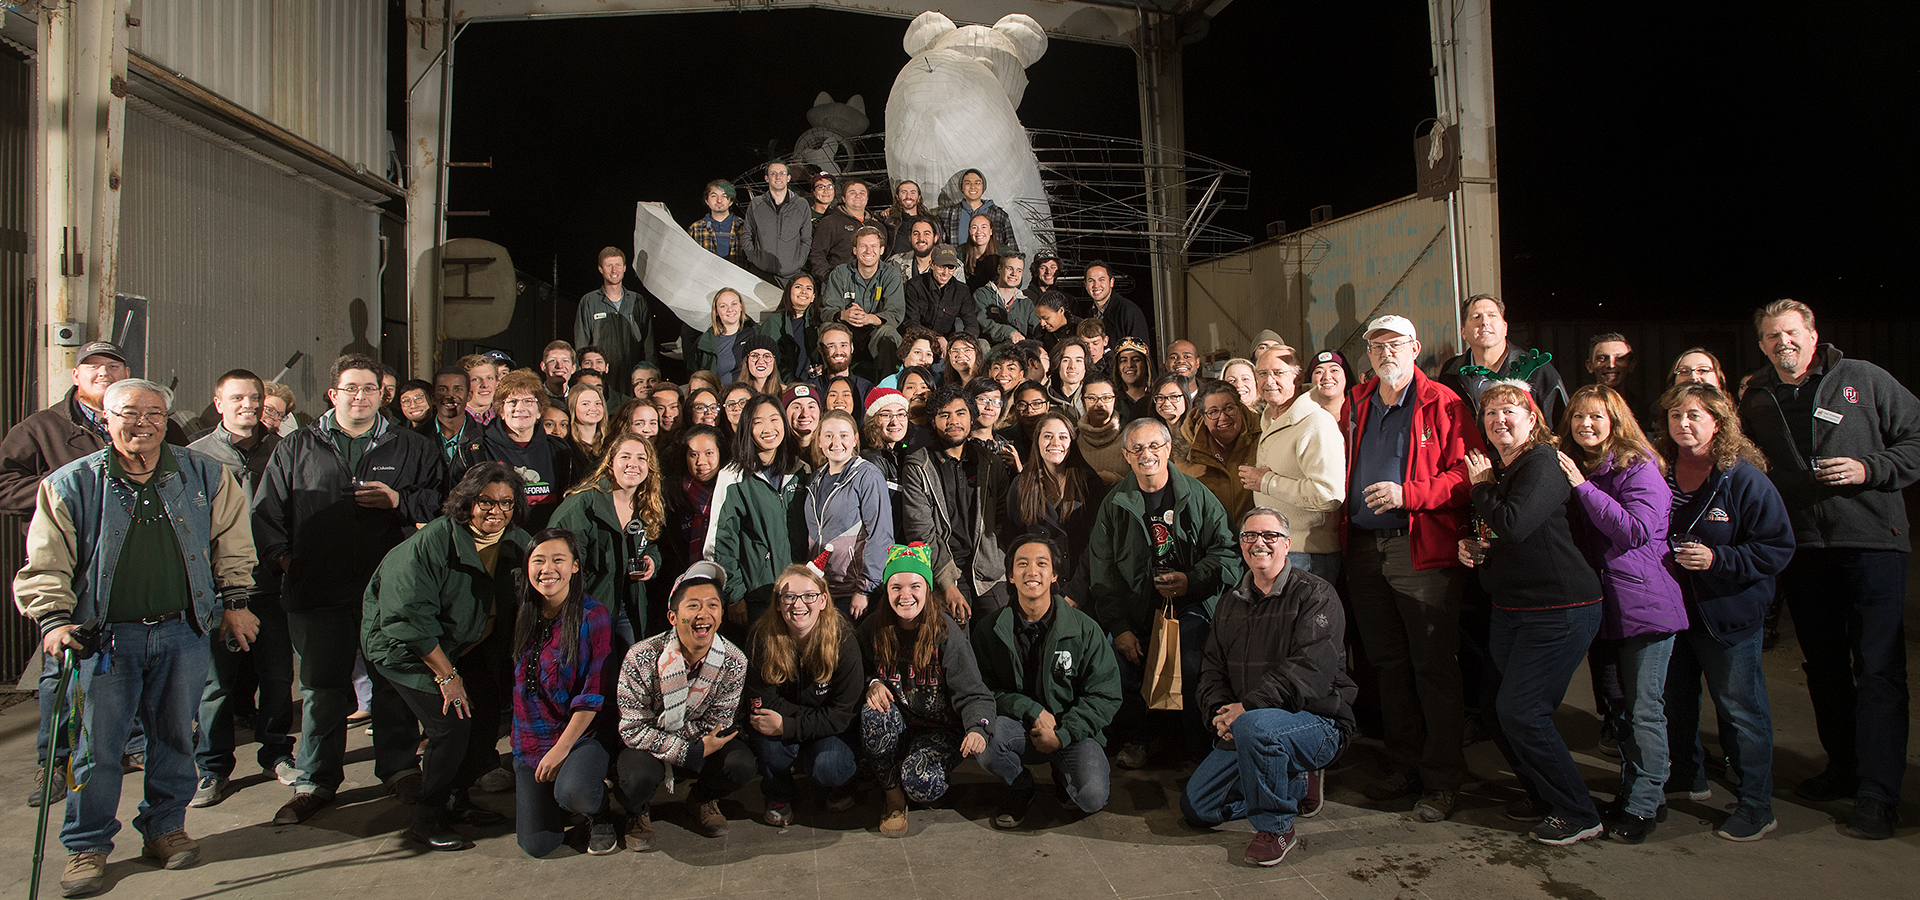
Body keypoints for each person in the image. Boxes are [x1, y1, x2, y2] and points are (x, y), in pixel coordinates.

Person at [14, 377, 257, 896]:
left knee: (173, 738)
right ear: (105, 419)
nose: (141, 423)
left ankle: (165, 829)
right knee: (96, 748)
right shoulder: (71, 483)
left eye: (153, 414)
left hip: (182, 633)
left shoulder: (204, 474)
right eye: (128, 414)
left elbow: (232, 541)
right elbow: (45, 562)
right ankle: (87, 846)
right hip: (103, 642)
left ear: (166, 420)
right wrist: (54, 619)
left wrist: (235, 603)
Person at [1737, 299, 1920, 839]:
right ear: (1762, 344)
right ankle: (1843, 768)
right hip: (1802, 549)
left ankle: (1878, 793)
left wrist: (1872, 467)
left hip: (1872, 544)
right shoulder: (1758, 396)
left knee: (1879, 668)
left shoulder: (1862, 378)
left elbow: (1916, 436)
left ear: (1813, 334)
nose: (1782, 343)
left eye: (1791, 333)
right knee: (1824, 666)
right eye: (1771, 337)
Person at [254, 354, 445, 826]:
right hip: (317, 589)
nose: (360, 396)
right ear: (333, 394)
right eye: (351, 388)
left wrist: (398, 501)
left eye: (369, 388)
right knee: (322, 689)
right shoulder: (298, 445)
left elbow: (443, 500)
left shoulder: (411, 446)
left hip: (389, 591)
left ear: (383, 394)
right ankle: (315, 780)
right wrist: (286, 560)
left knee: (391, 683)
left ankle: (399, 767)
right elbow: (268, 512)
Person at [1341, 316, 1479, 822]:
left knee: (1433, 667)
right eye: (1376, 345)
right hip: (1362, 549)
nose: (1385, 352)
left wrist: (1410, 496)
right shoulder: (1356, 402)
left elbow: (1469, 472)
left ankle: (1442, 779)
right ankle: (1403, 765)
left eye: (1395, 344)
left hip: (1417, 549)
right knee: (1388, 666)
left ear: (1415, 347)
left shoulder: (1444, 402)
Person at [1457, 382, 1605, 845]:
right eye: (1490, 413)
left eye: (1509, 411)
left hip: (1558, 609)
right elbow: (1503, 531)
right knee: (1495, 708)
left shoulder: (1541, 463)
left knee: (1522, 711)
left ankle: (1578, 810)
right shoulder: (1506, 469)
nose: (1498, 419)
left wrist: (1480, 488)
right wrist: (1476, 547)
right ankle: (1542, 793)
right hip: (1513, 606)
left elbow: (1515, 525)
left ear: (1532, 419)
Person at [360, 463, 529, 850]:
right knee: (451, 724)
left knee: (485, 716)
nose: (495, 510)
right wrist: (448, 677)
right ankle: (427, 817)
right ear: (467, 501)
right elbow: (405, 618)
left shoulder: (516, 540)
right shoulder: (433, 541)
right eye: (485, 501)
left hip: (462, 644)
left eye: (505, 502)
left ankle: (458, 799)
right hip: (405, 648)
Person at [1655, 382, 1795, 841]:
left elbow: (1777, 547)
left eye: (1695, 415)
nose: (1684, 424)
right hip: (1676, 614)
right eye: (1676, 415)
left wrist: (1719, 560)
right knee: (1676, 702)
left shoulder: (1743, 478)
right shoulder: (1661, 469)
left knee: (1740, 710)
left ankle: (1757, 803)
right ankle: (1687, 775)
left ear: (1719, 421)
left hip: (1728, 615)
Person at [1181, 508, 1357, 867]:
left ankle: (1276, 827)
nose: (1259, 543)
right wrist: (1220, 713)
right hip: (1249, 724)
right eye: (1249, 536)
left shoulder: (1316, 595)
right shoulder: (1230, 602)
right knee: (1198, 807)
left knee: (1256, 726)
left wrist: (1246, 711)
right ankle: (1293, 783)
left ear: (1287, 545)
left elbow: (1311, 670)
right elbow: (1212, 669)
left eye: (1270, 536)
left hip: (1318, 722)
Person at [1556, 383, 1687, 843]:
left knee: (1644, 709)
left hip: (1644, 608)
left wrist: (1581, 486)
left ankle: (1643, 805)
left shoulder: (1638, 466)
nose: (1585, 425)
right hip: (1605, 609)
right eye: (1577, 417)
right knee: (1619, 711)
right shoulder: (1583, 465)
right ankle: (1644, 791)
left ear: (1615, 420)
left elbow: (1633, 531)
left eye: (1595, 417)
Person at [1091, 417, 1241, 767]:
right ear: (1126, 455)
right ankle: (1138, 740)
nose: (1147, 455)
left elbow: (1227, 550)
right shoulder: (1115, 504)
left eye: (1154, 446)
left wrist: (1192, 579)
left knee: (1192, 662)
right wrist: (1120, 627)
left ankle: (1200, 749)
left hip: (1191, 603)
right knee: (1121, 663)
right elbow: (1103, 572)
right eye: (1138, 448)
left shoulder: (1197, 494)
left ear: (1168, 448)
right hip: (1138, 608)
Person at [186, 370, 296, 808]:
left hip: (271, 585)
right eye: (237, 398)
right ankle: (212, 768)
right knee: (215, 686)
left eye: (254, 398)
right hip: (216, 590)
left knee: (277, 676)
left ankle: (276, 754)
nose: (247, 405)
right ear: (218, 403)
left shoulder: (284, 450)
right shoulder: (195, 456)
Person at [973, 535, 1122, 828]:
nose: (1032, 571)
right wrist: (1030, 709)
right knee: (988, 744)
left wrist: (1063, 735)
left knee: (1091, 798)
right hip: (1016, 727)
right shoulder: (989, 630)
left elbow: (1105, 695)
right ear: (1011, 576)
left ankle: (1061, 773)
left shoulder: (1084, 629)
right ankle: (1020, 786)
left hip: (1070, 730)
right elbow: (982, 690)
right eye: (1022, 564)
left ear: (1054, 575)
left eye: (1042, 564)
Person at [857, 543, 996, 837]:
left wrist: (977, 728)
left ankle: (909, 776)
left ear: (927, 588)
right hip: (899, 723)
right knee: (874, 713)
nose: (905, 595)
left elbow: (974, 692)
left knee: (921, 784)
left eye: (914, 586)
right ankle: (893, 798)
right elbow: (853, 671)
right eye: (896, 587)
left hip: (941, 729)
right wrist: (872, 682)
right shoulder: (873, 628)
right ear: (887, 590)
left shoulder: (945, 633)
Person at [614, 561, 754, 849]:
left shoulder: (734, 660)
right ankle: (637, 812)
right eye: (693, 606)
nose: (704, 614)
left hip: (693, 742)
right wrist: (689, 750)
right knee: (636, 775)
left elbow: (719, 722)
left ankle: (702, 799)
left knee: (741, 763)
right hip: (651, 749)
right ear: (673, 616)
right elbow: (632, 729)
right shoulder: (640, 657)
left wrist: (696, 747)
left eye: (712, 605)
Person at [507, 528, 620, 857]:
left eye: (558, 560)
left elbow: (592, 696)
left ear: (574, 566)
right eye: (538, 560)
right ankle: (559, 796)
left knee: (573, 792)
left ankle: (598, 812)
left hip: (580, 736)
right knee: (538, 845)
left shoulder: (592, 615)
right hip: (530, 740)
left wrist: (560, 751)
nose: (547, 569)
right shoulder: (522, 610)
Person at [746, 565, 864, 825]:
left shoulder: (843, 640)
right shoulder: (762, 637)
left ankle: (839, 787)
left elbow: (843, 714)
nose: (798, 604)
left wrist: (788, 725)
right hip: (795, 724)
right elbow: (763, 702)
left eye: (809, 595)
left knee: (830, 766)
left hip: (827, 730)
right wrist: (797, 724)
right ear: (778, 603)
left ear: (823, 600)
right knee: (765, 739)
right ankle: (778, 793)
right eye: (789, 597)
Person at [901, 386, 1012, 624]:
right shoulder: (918, 466)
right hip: (945, 567)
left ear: (972, 418)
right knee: (954, 637)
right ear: (932, 422)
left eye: (961, 413)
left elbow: (1004, 518)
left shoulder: (990, 463)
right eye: (944, 415)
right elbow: (920, 530)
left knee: (1001, 633)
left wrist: (1000, 562)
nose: (954, 421)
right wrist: (947, 583)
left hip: (989, 569)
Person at [704, 393, 810, 632]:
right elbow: (720, 542)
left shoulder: (800, 469)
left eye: (774, 419)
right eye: (757, 422)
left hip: (799, 593)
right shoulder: (732, 477)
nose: (768, 428)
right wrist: (734, 594)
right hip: (756, 596)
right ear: (746, 428)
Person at [1239, 347, 1345, 581]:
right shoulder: (1268, 419)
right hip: (1275, 552)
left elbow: (1328, 495)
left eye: (1278, 372)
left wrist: (1266, 482)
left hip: (1308, 557)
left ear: (1297, 378)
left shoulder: (1317, 423)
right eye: (1263, 374)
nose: (1269, 381)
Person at [552, 432, 664, 644]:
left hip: (628, 606)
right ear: (610, 462)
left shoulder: (647, 504)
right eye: (625, 456)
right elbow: (556, 559)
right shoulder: (583, 504)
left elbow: (651, 545)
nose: (633, 463)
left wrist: (652, 560)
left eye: (641, 458)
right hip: (586, 608)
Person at [1005, 411, 1109, 608]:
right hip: (1037, 589)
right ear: (1037, 441)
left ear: (1072, 441)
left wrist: (1076, 592)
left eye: (1063, 437)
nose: (1055, 443)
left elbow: (1096, 543)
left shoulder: (1089, 484)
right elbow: (1014, 540)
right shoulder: (1021, 485)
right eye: (1047, 436)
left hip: (1082, 588)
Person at [804, 410, 893, 619]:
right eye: (828, 435)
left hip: (853, 592)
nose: (836, 442)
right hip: (823, 588)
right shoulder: (816, 479)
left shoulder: (867, 475)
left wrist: (864, 588)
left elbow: (881, 535)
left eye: (843, 435)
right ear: (819, 441)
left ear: (854, 439)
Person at [1438, 293, 1570, 426]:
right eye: (1476, 317)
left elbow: (1562, 426)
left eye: (1492, 315)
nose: (1484, 322)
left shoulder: (1534, 369)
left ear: (1505, 328)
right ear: (1463, 332)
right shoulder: (1451, 372)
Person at [482, 371, 576, 529]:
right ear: (501, 411)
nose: (520, 408)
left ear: (540, 411)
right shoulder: (478, 450)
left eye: (528, 401)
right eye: (512, 402)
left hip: (548, 541)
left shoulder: (560, 450)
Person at [822, 226, 905, 375]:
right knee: (828, 329)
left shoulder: (891, 274)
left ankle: (886, 388)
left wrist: (868, 318)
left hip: (875, 332)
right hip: (847, 332)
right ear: (854, 250)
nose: (868, 251)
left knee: (889, 332)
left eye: (873, 246)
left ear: (881, 250)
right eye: (863, 246)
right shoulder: (840, 273)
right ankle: (833, 383)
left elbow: (895, 314)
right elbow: (827, 310)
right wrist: (843, 314)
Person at [573, 248, 655, 398]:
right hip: (603, 377)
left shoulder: (637, 301)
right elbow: (582, 345)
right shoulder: (589, 302)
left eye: (618, 265)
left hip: (632, 376)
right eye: (608, 265)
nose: (614, 270)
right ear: (600, 269)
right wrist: (584, 376)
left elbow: (648, 342)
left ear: (624, 268)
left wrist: (651, 371)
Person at [1180, 380, 1259, 525]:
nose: (1223, 417)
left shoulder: (1261, 440)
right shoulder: (1182, 453)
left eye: (1229, 408)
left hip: (1254, 537)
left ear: (1240, 408)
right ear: (1203, 417)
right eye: (1213, 411)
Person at [744, 161, 813, 285]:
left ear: (788, 178)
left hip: (790, 275)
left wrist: (798, 262)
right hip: (761, 274)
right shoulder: (756, 203)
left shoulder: (801, 204)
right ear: (766, 178)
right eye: (773, 173)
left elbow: (806, 238)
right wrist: (755, 259)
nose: (778, 177)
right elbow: (747, 235)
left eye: (782, 173)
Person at [420, 366, 487, 490]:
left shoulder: (485, 438)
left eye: (458, 389)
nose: (450, 395)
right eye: (442, 389)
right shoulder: (416, 439)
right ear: (433, 397)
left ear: (469, 396)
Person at [811, 177, 887, 283]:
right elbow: (817, 254)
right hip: (840, 284)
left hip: (871, 285)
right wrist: (830, 278)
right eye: (852, 192)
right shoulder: (830, 222)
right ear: (843, 198)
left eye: (862, 192)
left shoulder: (878, 227)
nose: (857, 196)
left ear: (867, 198)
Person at [862, 387, 914, 537]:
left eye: (900, 414)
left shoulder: (901, 453)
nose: (894, 421)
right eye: (886, 415)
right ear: (873, 421)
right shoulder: (871, 459)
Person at [903, 244, 980, 339]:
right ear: (931, 264)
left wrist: (959, 343)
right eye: (941, 267)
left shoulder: (961, 290)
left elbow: (972, 324)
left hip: (948, 342)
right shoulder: (915, 286)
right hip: (920, 340)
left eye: (950, 267)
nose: (946, 272)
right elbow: (911, 323)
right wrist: (936, 339)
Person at [940, 168, 1020, 254]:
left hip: (993, 265)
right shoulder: (948, 214)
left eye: (977, 183)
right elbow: (941, 248)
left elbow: (1012, 250)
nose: (973, 186)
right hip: (959, 265)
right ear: (961, 187)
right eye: (967, 183)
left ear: (983, 187)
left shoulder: (999, 215)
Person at [757, 275, 821, 382]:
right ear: (788, 292)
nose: (804, 291)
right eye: (798, 287)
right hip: (783, 387)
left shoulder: (819, 322)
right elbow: (766, 358)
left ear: (813, 297)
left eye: (808, 288)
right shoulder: (774, 322)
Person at [687, 287, 755, 387]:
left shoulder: (754, 333)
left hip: (749, 395)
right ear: (717, 312)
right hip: (719, 396)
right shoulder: (705, 342)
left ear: (741, 306)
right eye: (723, 306)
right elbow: (694, 373)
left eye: (734, 304)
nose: (730, 309)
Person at [1084, 261, 1150, 348]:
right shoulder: (1089, 314)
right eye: (1091, 281)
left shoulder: (1128, 311)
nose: (1096, 285)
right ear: (1085, 285)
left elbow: (1140, 353)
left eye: (1101, 279)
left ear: (1111, 282)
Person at [975, 253, 1036, 347]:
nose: (1014, 274)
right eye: (1009, 268)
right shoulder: (983, 295)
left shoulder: (1026, 303)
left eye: (1019, 270)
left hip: (1017, 351)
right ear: (999, 269)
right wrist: (1009, 332)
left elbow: (1037, 329)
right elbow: (984, 323)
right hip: (990, 350)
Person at [1076, 375, 1128, 485]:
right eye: (1092, 398)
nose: (1099, 404)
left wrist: (1116, 480)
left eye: (1106, 398)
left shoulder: (1129, 436)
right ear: (1083, 401)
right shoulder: (1073, 437)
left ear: (1115, 400)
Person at [687, 179, 746, 266]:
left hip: (738, 278)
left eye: (724, 196)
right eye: (714, 196)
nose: (719, 200)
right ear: (706, 201)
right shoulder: (695, 229)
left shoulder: (744, 227)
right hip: (706, 277)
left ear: (731, 201)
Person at [1149, 374, 1193, 462]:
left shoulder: (1195, 433)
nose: (1166, 403)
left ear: (1186, 398)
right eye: (1160, 398)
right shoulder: (1151, 433)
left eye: (1174, 397)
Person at [1305, 350, 1352, 434]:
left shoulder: (1359, 413)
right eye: (1319, 372)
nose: (1327, 377)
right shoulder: (1303, 418)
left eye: (1334, 370)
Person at [886, 214, 941, 284]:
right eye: (916, 234)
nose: (921, 238)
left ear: (935, 238)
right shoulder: (895, 263)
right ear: (910, 238)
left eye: (926, 234)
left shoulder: (951, 267)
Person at [565, 382, 609, 467]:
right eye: (585, 404)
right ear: (572, 407)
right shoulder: (566, 445)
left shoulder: (610, 442)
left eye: (598, 403)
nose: (593, 408)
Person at [960, 213, 1004, 292]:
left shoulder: (1003, 254)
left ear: (991, 231)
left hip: (994, 300)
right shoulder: (959, 253)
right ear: (969, 231)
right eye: (974, 227)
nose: (979, 231)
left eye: (984, 227)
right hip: (966, 300)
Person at [881, 179, 928, 251]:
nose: (908, 196)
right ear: (897, 197)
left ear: (919, 198)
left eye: (913, 192)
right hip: (894, 261)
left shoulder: (929, 222)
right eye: (904, 192)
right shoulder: (888, 221)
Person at [1114, 338, 1155, 419]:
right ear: (1118, 369)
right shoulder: (1112, 403)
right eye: (1123, 360)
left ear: (1146, 366)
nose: (1129, 365)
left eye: (1136, 360)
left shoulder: (1158, 400)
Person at [1050, 338, 1091, 416]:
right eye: (1066, 360)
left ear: (1085, 366)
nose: (1072, 366)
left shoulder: (1093, 397)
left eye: (1078, 360)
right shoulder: (1045, 398)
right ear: (1058, 364)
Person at [783, 383, 823, 457]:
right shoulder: (777, 453)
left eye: (811, 407)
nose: (805, 414)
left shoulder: (829, 451)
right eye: (797, 407)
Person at [460, 354, 499, 426]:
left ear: (497, 382)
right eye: (476, 379)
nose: (485, 385)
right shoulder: (451, 420)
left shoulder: (507, 418)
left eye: (489, 378)